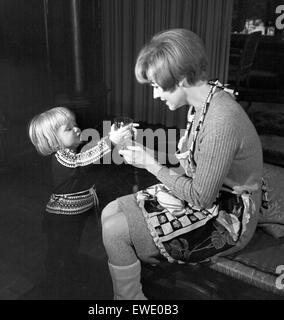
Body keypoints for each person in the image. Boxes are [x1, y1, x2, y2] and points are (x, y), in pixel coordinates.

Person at [101, 28, 263, 300]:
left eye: (156, 86)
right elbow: (194, 163)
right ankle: (143, 263)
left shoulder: (221, 120)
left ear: (182, 79)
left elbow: (200, 198)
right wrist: (148, 153)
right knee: (109, 212)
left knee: (115, 232)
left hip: (229, 216)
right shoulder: (205, 101)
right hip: (209, 193)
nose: (154, 96)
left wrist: (151, 164)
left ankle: (128, 300)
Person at [28, 106, 131, 299]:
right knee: (58, 254)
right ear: (53, 140)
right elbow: (82, 161)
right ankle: (55, 287)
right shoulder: (61, 156)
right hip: (61, 220)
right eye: (68, 128)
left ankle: (67, 276)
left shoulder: (73, 152)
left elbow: (88, 155)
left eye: (75, 124)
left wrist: (111, 139)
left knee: (69, 251)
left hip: (74, 219)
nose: (76, 129)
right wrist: (110, 141)